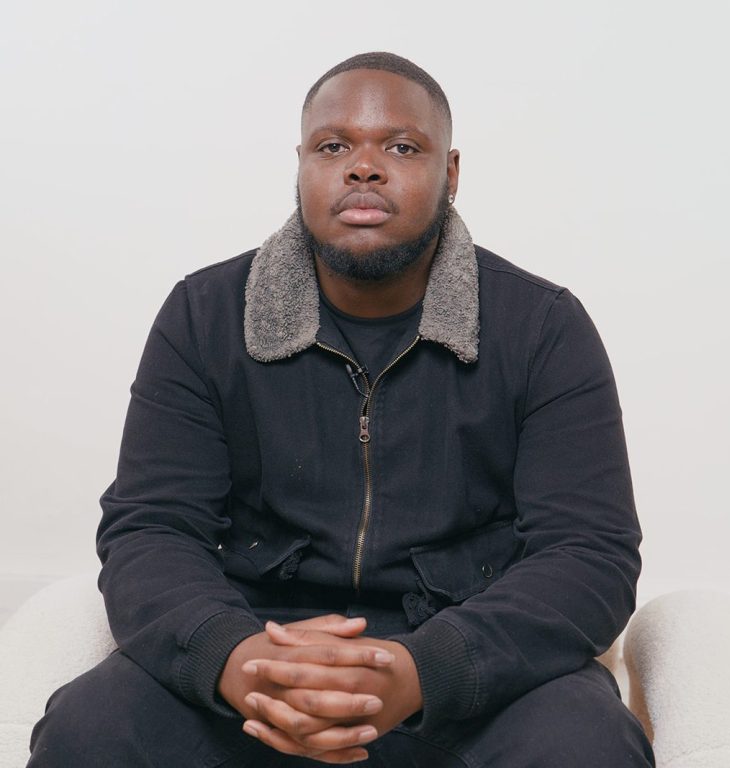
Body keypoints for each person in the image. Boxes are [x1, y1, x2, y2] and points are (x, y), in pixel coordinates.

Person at [28, 52, 655, 767]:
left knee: (586, 745)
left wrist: (420, 672)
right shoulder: (202, 316)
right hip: (256, 661)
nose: (364, 167)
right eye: (334, 146)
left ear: (449, 173)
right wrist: (239, 660)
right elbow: (151, 527)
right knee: (90, 728)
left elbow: (589, 553)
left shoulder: (543, 326)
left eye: (400, 147)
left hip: (464, 666)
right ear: (300, 167)